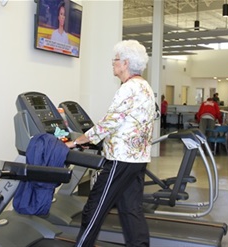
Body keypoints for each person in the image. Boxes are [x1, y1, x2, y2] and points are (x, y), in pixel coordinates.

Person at [65, 40, 154, 247]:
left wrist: (77, 141)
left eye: (115, 60)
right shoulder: (145, 87)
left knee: (94, 207)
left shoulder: (128, 88)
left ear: (125, 63)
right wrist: (94, 140)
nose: (112, 64)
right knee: (131, 210)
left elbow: (109, 123)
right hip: (138, 159)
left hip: (120, 160)